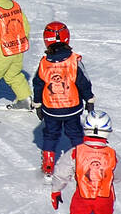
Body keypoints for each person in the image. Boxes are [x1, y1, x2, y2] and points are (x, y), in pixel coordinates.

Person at [33, 21, 94, 175]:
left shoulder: (44, 63)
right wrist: (89, 99)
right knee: (75, 133)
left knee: (50, 134)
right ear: (67, 38)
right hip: (72, 108)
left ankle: (48, 163)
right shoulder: (74, 61)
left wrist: (38, 104)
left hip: (51, 109)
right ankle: (81, 161)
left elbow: (38, 84)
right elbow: (83, 82)